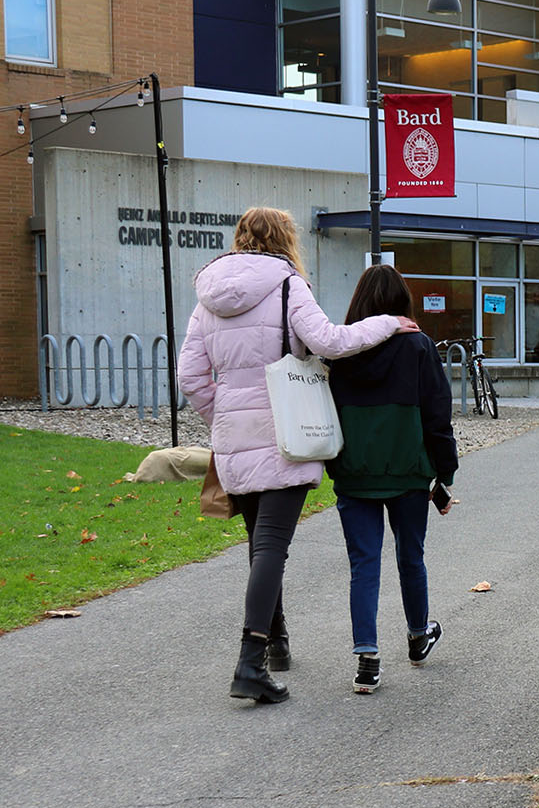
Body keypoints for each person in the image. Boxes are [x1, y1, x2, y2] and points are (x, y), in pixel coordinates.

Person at [178, 207, 417, 704]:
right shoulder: (288, 286)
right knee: (270, 547)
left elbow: (190, 378)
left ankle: (278, 643)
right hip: (285, 433)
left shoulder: (207, 299)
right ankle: (249, 663)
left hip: (233, 440)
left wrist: (222, 420)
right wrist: (387, 323)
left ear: (240, 238)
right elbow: (329, 342)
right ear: (287, 240)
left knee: (259, 545)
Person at [326, 266, 459, 695]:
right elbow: (438, 415)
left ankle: (367, 661)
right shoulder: (419, 346)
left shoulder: (340, 350)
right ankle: (419, 637)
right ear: (403, 301)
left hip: (353, 472)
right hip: (408, 472)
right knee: (410, 557)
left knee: (363, 566)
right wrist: (445, 474)